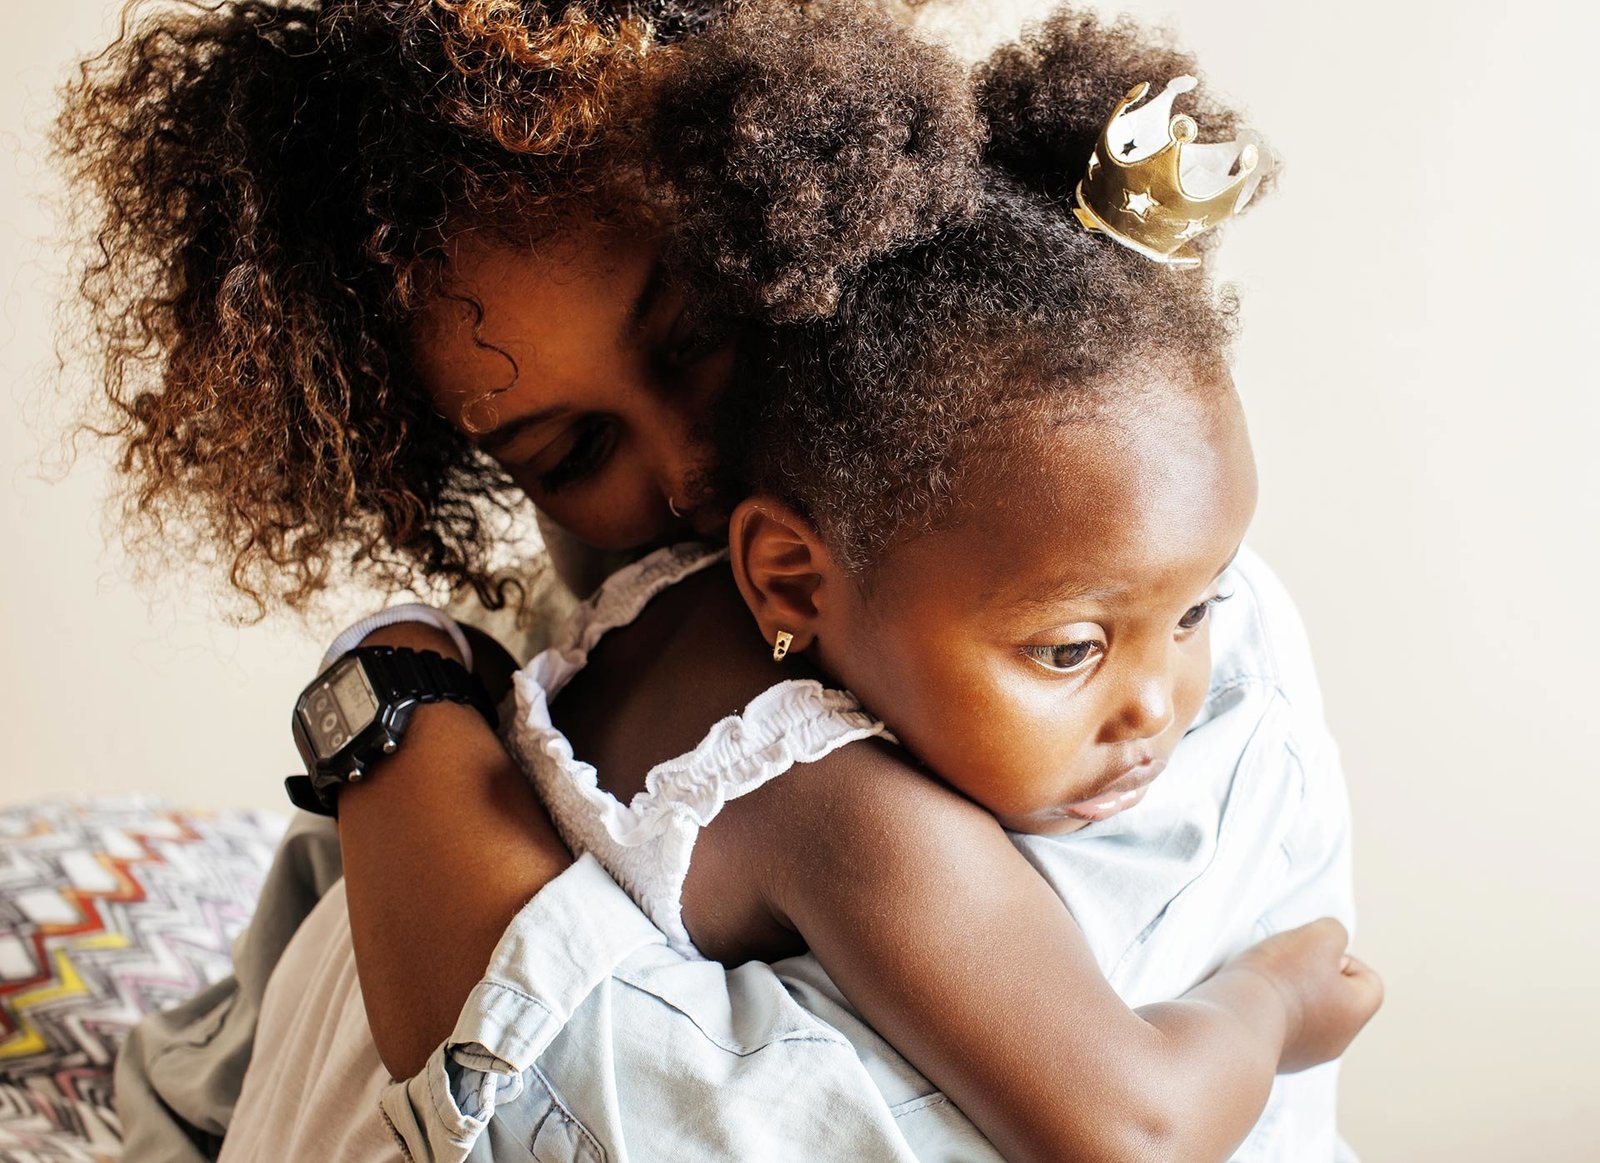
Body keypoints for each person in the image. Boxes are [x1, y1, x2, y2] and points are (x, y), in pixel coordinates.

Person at [51, 0, 1372, 1158]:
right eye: (571, 450)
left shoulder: (1128, 605)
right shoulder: (620, 685)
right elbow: (268, 1053)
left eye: (692, 342)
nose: (687, 472)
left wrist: (393, 710)